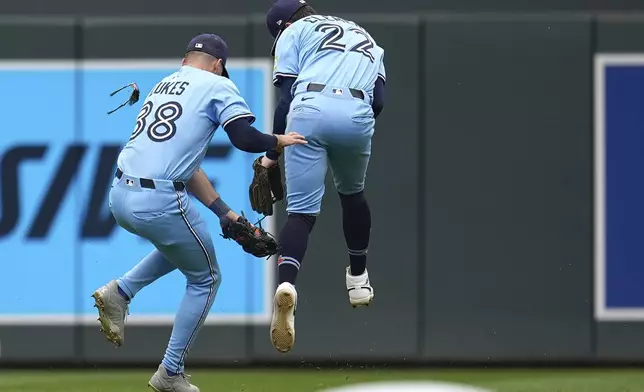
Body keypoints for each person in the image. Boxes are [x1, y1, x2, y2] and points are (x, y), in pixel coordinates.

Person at [91, 33, 306, 392]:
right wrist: (277, 141)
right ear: (219, 64)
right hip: (157, 200)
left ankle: (121, 291)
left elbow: (186, 167)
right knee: (206, 278)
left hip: (120, 195)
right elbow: (243, 138)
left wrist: (223, 212)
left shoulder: (164, 83)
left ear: (186, 59)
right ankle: (170, 373)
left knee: (181, 245)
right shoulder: (216, 84)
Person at [251, 0, 386, 354]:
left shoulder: (291, 32)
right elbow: (380, 101)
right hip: (357, 113)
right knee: (352, 194)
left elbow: (285, 100)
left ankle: (287, 285)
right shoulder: (365, 36)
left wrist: (271, 155)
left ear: (281, 25)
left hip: (309, 108)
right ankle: (358, 278)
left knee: (301, 214)